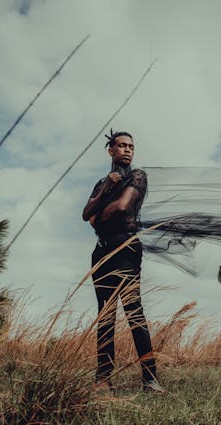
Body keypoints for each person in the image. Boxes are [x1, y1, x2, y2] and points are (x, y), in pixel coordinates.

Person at [82, 130, 165, 393]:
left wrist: (98, 215)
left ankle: (150, 379)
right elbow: (85, 214)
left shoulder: (138, 176)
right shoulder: (102, 182)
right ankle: (103, 379)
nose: (128, 150)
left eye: (131, 146)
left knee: (134, 313)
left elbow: (121, 207)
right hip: (101, 253)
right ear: (111, 150)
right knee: (105, 315)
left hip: (127, 250)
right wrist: (105, 189)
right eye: (121, 145)